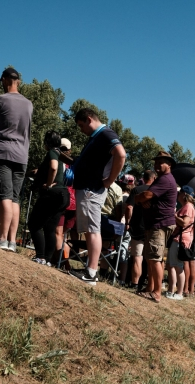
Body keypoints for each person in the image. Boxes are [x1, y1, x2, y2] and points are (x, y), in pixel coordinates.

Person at [73, 108, 126, 285]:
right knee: (90, 230)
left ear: (89, 120)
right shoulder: (99, 136)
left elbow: (121, 154)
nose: (81, 130)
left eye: (81, 125)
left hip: (92, 189)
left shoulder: (105, 134)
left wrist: (110, 180)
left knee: (92, 230)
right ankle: (91, 269)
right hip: (89, 188)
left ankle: (91, 273)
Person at [0, 67, 33, 252]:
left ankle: (2, 238)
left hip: (3, 151)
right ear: (18, 81)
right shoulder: (28, 104)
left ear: (5, 80)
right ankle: (13, 241)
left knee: (4, 195)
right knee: (14, 198)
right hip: (22, 156)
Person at [135, 151, 177, 303]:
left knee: (154, 258)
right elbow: (147, 196)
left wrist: (138, 198)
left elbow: (145, 195)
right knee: (152, 258)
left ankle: (156, 292)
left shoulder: (165, 180)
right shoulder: (162, 180)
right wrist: (143, 198)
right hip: (157, 224)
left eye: (161, 162)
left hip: (160, 224)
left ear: (169, 164)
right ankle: (150, 289)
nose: (157, 164)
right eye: (156, 162)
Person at [28, 131, 70, 266]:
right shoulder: (61, 154)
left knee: (34, 224)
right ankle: (47, 259)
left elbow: (53, 167)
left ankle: (40, 256)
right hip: (63, 195)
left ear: (47, 142)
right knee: (49, 229)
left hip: (52, 193)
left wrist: (48, 184)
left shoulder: (52, 152)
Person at [125, 170, 155, 291]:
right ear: (154, 178)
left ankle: (134, 283)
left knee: (137, 257)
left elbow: (129, 207)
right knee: (150, 259)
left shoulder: (136, 190)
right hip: (152, 227)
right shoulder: (156, 192)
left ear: (143, 178)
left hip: (137, 226)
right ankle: (147, 283)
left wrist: (128, 221)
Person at [166, 186, 195, 300]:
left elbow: (184, 223)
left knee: (177, 266)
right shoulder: (188, 206)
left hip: (180, 239)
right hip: (180, 238)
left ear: (184, 195)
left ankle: (178, 293)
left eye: (179, 193)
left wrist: (174, 215)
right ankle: (172, 291)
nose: (177, 195)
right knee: (173, 265)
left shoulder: (188, 207)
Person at [54, 138, 77, 269]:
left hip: (62, 200)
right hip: (74, 204)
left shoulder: (58, 162)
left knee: (58, 233)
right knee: (64, 235)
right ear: (70, 150)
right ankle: (61, 260)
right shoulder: (76, 164)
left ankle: (63, 262)